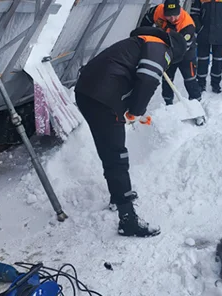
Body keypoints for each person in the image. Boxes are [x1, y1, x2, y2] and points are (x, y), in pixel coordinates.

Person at [74, 27, 187, 237]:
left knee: (110, 150)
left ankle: (118, 196)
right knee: (117, 155)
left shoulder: (144, 42)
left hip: (88, 92)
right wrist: (135, 111)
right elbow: (147, 80)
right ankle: (128, 219)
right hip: (104, 97)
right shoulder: (160, 49)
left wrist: (129, 107)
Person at [140, 0, 202, 105]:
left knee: (190, 78)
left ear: (180, 11)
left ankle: (196, 103)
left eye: (175, 15)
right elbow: (147, 19)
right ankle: (168, 104)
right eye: (168, 15)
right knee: (167, 79)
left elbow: (181, 49)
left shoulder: (187, 25)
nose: (172, 18)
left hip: (185, 53)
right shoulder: (158, 11)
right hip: (167, 49)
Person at [190, 0, 222, 93]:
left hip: (221, 34)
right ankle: (201, 84)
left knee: (218, 61)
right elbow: (194, 14)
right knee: (202, 60)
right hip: (204, 34)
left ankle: (215, 84)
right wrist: (199, 29)